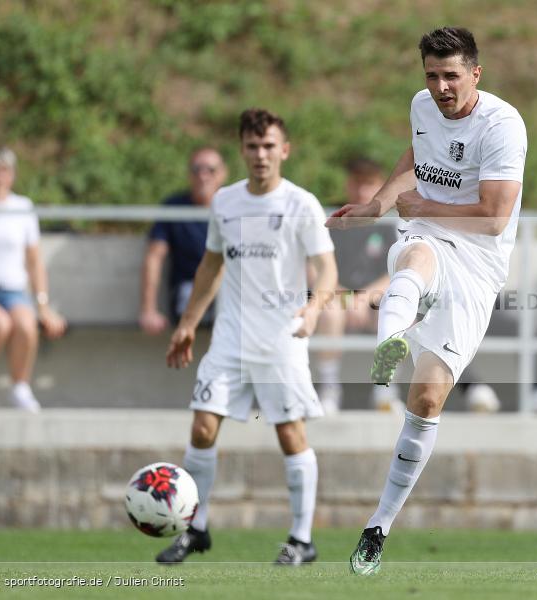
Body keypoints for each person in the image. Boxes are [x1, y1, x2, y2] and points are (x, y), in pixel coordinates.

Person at [327, 26, 527, 575]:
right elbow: (418, 152)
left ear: (476, 74)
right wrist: (378, 205)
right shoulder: (422, 104)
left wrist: (417, 204)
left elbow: (493, 217)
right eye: (432, 75)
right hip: (429, 236)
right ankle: (389, 340)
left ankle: (378, 526)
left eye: (451, 76)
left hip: (480, 263)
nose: (440, 87)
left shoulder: (503, 125)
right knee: (415, 261)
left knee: (427, 401)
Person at [158, 109, 337, 565]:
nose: (261, 155)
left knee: (289, 433)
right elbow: (211, 266)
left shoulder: (301, 204)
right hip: (231, 338)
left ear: (284, 150)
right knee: (202, 426)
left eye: (269, 146)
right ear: (242, 150)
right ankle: (195, 528)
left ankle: (302, 538)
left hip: (282, 338)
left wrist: (315, 308)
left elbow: (327, 268)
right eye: (253, 147)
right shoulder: (225, 202)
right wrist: (187, 322)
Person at [0, 145, 66, 411]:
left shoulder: (22, 207)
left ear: (12, 175)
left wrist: (43, 304)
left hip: (11, 290)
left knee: (26, 324)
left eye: (3, 171)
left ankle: (20, 386)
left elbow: (34, 261)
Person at [313, 157, 401, 413]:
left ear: (380, 186)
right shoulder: (333, 222)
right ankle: (329, 388)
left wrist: (364, 298)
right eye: (358, 183)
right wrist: (347, 298)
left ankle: (385, 389)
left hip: (375, 299)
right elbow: (317, 267)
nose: (363, 191)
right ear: (349, 185)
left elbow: (398, 271)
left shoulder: (391, 224)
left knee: (394, 313)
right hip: (337, 297)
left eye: (370, 183)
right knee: (330, 312)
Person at [139, 148, 228, 334]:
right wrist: (148, 310)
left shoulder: (236, 207)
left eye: (210, 170)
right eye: (197, 170)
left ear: (222, 173)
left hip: (231, 291)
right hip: (190, 292)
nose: (203, 176)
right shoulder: (174, 207)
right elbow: (154, 256)